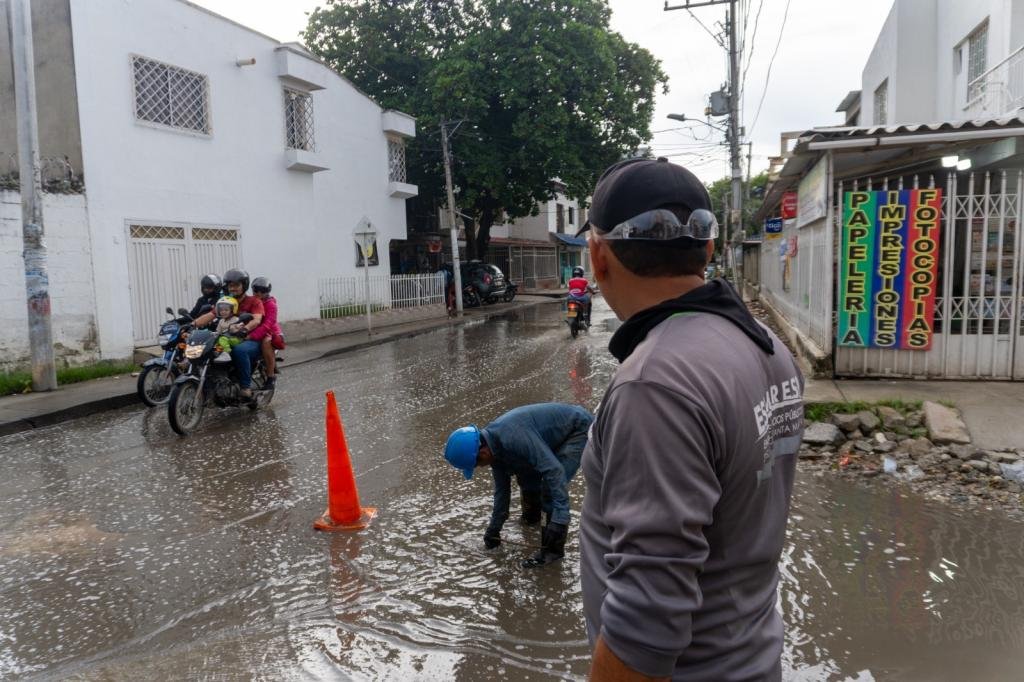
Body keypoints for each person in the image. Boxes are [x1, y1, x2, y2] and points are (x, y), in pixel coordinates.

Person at [575, 157, 804, 681]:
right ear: (707, 249)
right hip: (753, 659)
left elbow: (647, 618)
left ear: (598, 254)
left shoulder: (654, 382)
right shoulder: (766, 348)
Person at [443, 403, 594, 568]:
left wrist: (560, 520)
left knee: (549, 489)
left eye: (477, 465)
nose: (480, 467)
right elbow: (502, 493)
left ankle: (553, 550)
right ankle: (533, 519)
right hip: (548, 436)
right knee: (527, 479)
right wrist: (494, 530)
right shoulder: (494, 449)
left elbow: (554, 471)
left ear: (483, 453)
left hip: (577, 429)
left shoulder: (513, 436)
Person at [193, 269, 264, 398]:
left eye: (236, 285)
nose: (233, 288)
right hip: (227, 336)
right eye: (231, 285)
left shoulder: (254, 301)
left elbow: (257, 319)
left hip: (249, 338)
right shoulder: (226, 301)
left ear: (244, 285)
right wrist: (192, 324)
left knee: (239, 350)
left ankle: (245, 386)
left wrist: (245, 329)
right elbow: (211, 314)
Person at [247, 277, 284, 388]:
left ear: (267, 291)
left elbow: (268, 325)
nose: (258, 293)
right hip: (254, 331)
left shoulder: (271, 305)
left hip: (272, 333)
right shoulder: (251, 302)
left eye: (262, 291)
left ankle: (271, 377)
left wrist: (251, 336)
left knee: (266, 342)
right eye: (256, 290)